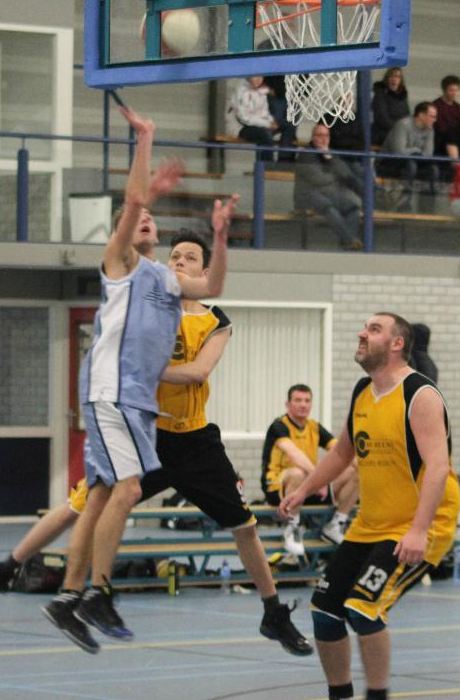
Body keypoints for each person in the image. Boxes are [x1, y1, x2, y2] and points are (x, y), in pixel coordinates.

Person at [4, 232, 312, 658]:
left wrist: (143, 366)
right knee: (82, 504)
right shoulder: (150, 305)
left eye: (190, 257)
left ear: (204, 270)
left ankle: (273, 612)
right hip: (146, 433)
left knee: (245, 526)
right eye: (175, 256)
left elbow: (198, 372)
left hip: (195, 441)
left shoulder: (216, 320)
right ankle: (14, 565)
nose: (179, 262)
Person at [41, 103, 239, 654]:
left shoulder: (164, 278)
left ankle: (70, 597)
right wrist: (145, 140)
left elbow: (213, 287)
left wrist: (221, 235)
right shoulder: (119, 263)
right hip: (112, 392)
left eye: (154, 218)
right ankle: (97, 593)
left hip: (134, 403)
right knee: (126, 490)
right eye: (140, 219)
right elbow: (133, 202)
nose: (147, 219)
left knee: (105, 494)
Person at [280, 312, 460, 700]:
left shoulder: (420, 394)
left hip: (421, 523)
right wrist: (304, 490)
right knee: (325, 611)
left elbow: (438, 467)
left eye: (374, 329)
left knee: (363, 609)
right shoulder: (364, 390)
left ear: (397, 343)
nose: (362, 333)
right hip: (371, 523)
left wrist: (419, 530)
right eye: (365, 327)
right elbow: (342, 453)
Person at [261, 384, 358, 556]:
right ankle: (292, 527)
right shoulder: (278, 427)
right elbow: (295, 454)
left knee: (356, 471)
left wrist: (369, 469)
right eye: (298, 400)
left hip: (308, 487)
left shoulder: (314, 427)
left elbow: (342, 451)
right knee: (298, 472)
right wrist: (319, 480)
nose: (303, 405)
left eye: (307, 401)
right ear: (288, 404)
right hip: (277, 487)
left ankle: (336, 525)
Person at [294, 123, 363, 251]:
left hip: (330, 194)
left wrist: (330, 159)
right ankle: (349, 241)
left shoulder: (331, 154)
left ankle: (347, 244)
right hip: (308, 195)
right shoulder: (306, 155)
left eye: (326, 136)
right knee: (329, 208)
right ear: (313, 137)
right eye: (320, 135)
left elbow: (345, 173)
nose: (324, 139)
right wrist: (335, 176)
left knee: (353, 208)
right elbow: (318, 179)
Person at [377, 101, 439, 207]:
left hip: (414, 162)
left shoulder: (430, 129)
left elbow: (428, 154)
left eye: (435, 117)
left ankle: (427, 208)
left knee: (433, 169)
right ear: (421, 115)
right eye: (432, 116)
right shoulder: (403, 124)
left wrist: (414, 152)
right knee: (411, 165)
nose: (434, 120)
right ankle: (404, 204)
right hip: (388, 162)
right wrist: (416, 150)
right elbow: (398, 151)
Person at [230, 76, 296, 163]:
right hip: (245, 128)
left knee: (288, 126)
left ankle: (283, 161)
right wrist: (267, 124)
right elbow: (245, 118)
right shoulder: (241, 91)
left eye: (261, 77)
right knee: (265, 136)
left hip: (262, 125)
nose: (258, 79)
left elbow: (264, 111)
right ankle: (266, 166)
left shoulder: (261, 90)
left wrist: (271, 121)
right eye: (256, 76)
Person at [371, 67, 410, 147]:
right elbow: (382, 118)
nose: (394, 79)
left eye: (397, 77)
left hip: (400, 132)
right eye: (392, 76)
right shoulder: (380, 94)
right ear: (387, 78)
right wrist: (400, 128)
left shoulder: (402, 96)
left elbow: (407, 115)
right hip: (383, 133)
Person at [432, 75, 460, 180]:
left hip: (456, 139)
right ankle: (456, 167)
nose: (454, 93)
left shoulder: (457, 107)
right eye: (451, 90)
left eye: (456, 90)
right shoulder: (436, 106)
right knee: (451, 133)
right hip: (440, 140)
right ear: (444, 90)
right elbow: (439, 127)